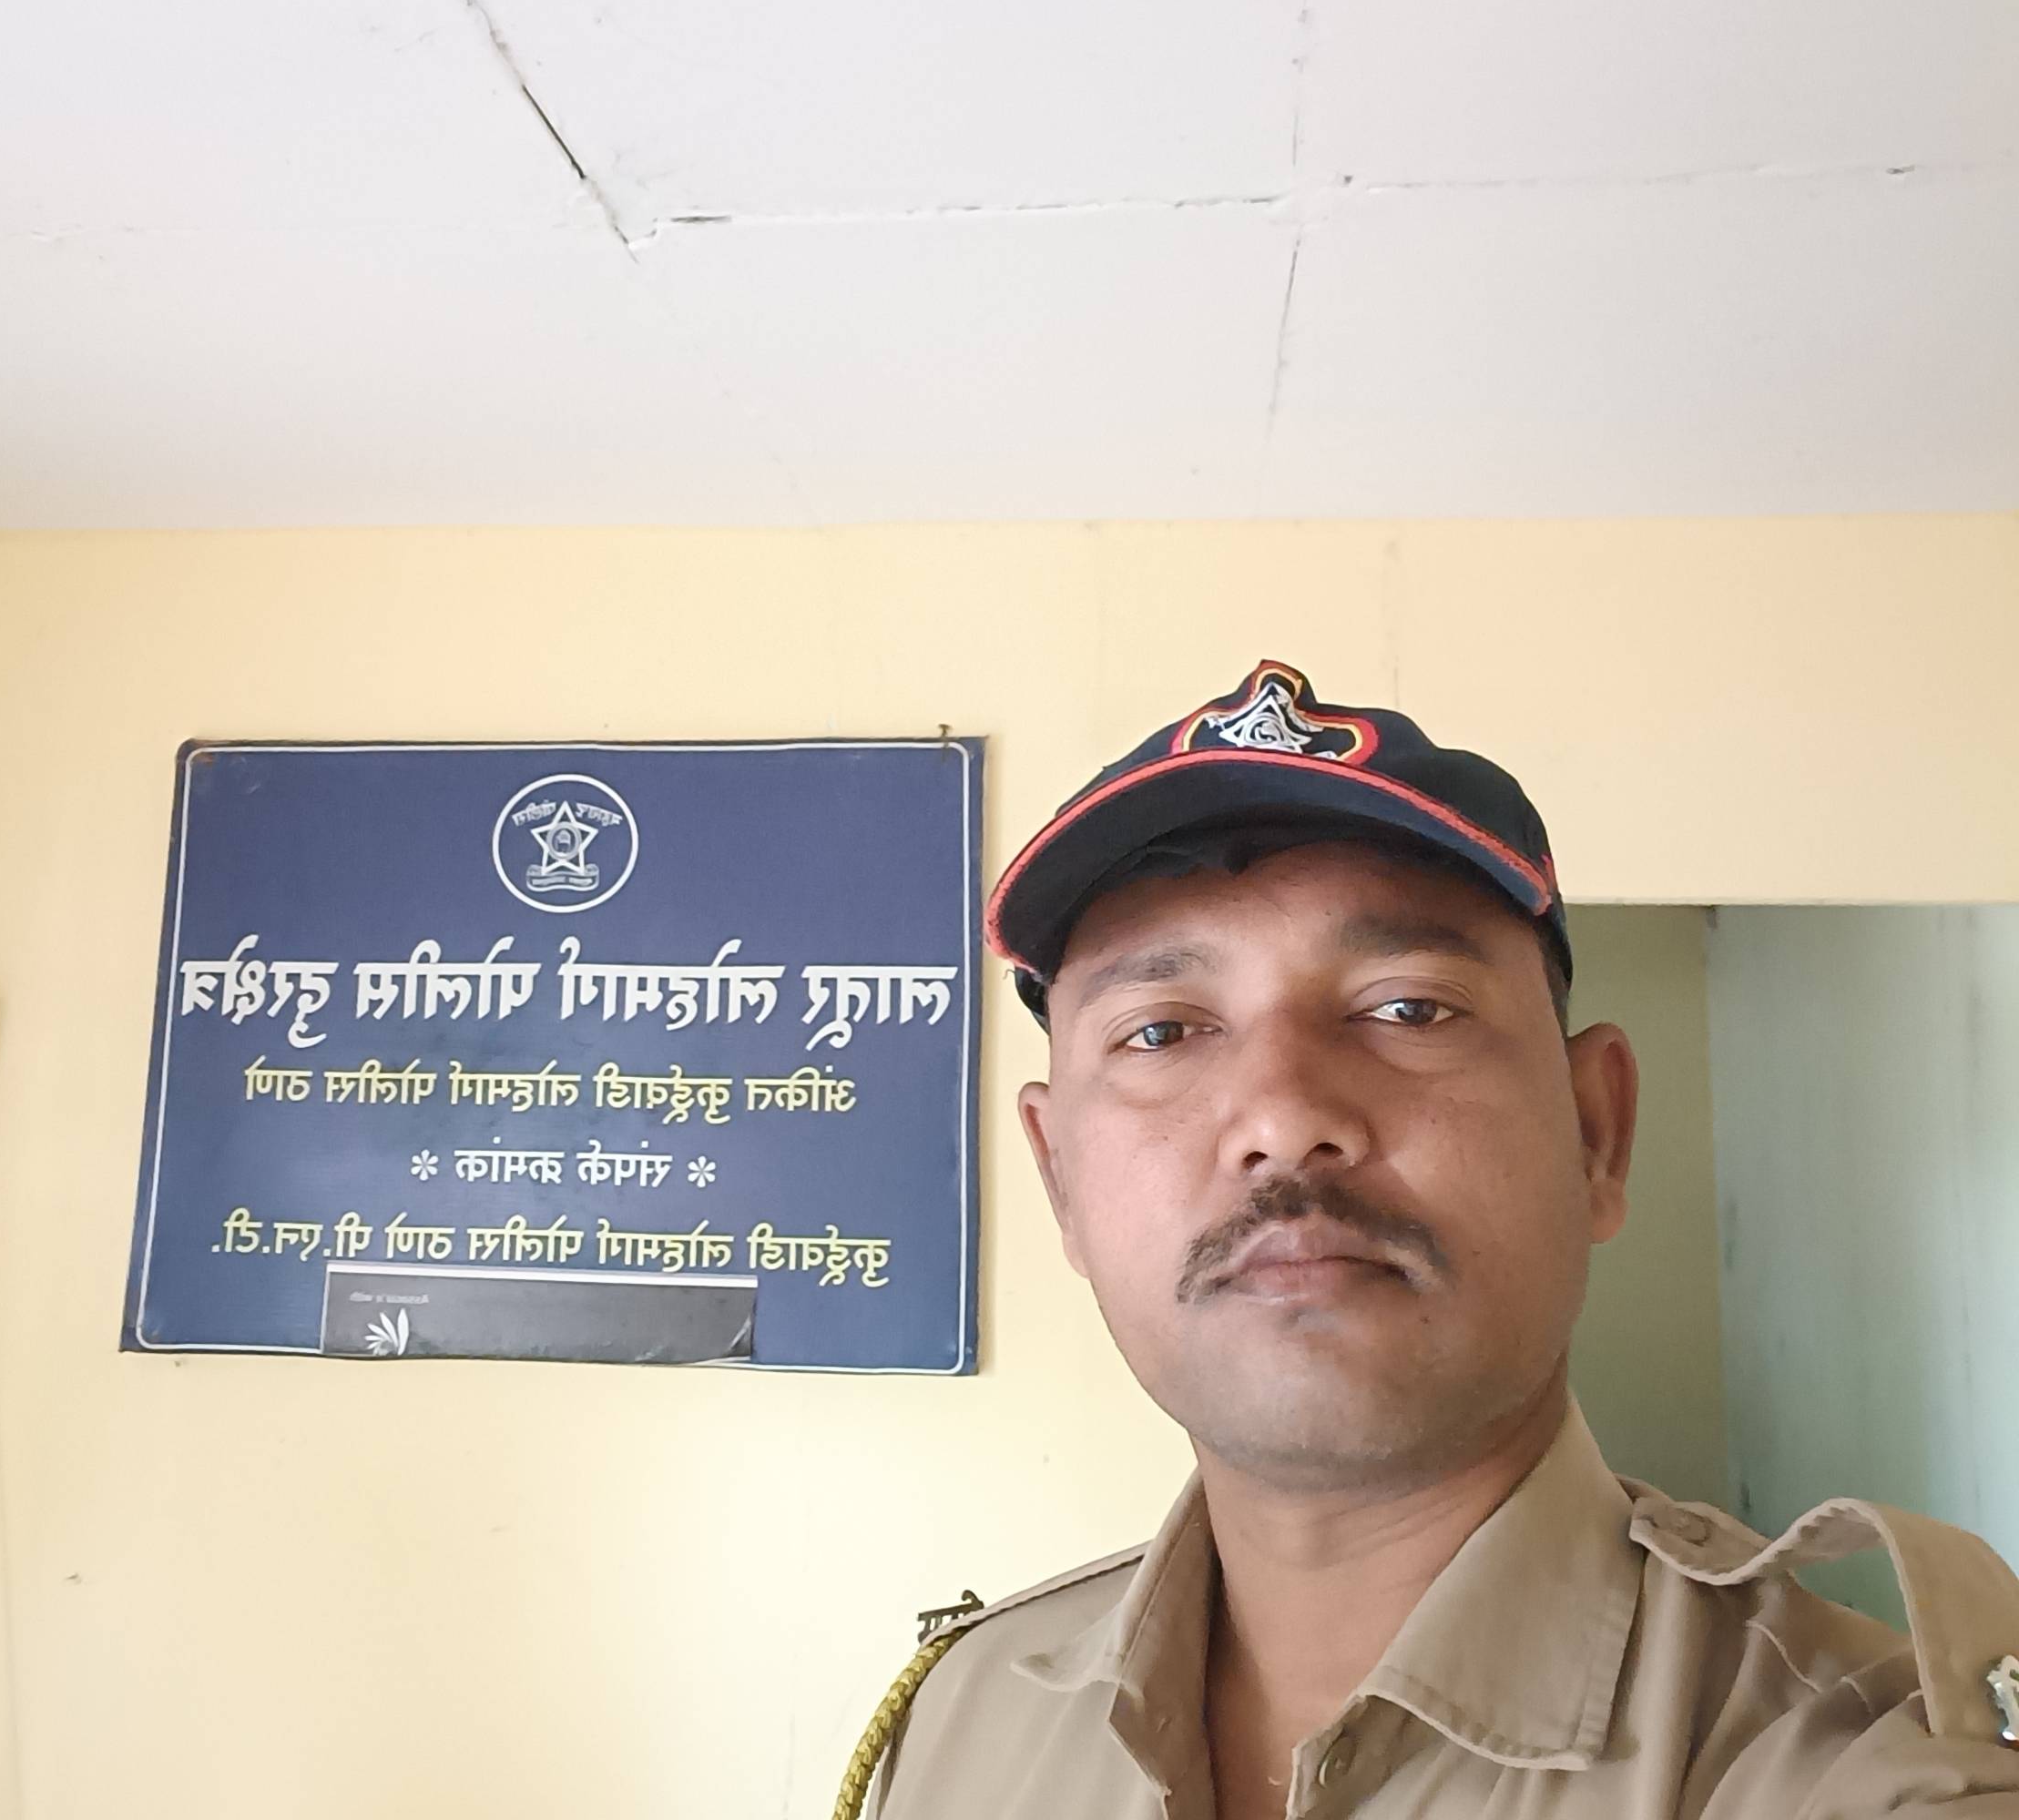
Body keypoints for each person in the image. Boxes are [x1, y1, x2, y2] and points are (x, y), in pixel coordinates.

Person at [838, 659, 2019, 1818]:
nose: (1283, 1116)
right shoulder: (961, 1724)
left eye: (1408, 1008)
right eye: (1161, 1032)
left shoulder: (1863, 1763)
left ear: (1596, 1135)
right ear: (1060, 1181)